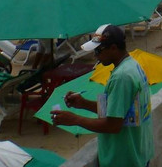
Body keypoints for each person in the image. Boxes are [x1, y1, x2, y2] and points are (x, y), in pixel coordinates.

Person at [51, 24, 153, 167]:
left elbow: (113, 125)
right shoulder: (132, 66)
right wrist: (83, 103)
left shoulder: (121, 77)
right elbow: (118, 110)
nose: (95, 55)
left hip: (123, 160)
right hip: (138, 155)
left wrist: (74, 119)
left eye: (98, 50)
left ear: (113, 48)